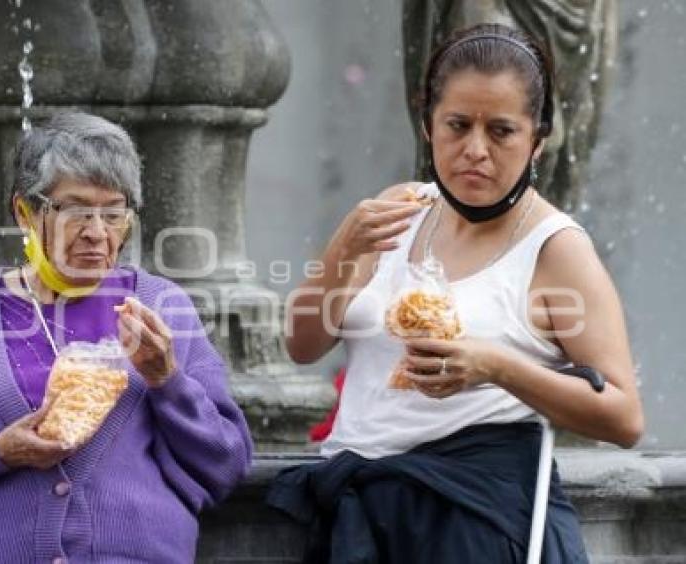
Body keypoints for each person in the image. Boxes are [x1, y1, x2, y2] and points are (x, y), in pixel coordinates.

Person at [269, 24, 643, 563]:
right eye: (458, 125)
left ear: (537, 140)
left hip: (477, 521)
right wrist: (341, 252)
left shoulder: (556, 249)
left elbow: (624, 417)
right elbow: (301, 345)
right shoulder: (399, 209)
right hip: (364, 514)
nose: (475, 150)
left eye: (502, 131)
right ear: (427, 125)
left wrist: (496, 367)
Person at [0, 112, 252, 563]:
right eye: (75, 210)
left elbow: (227, 464)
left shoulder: (161, 307)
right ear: (25, 213)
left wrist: (167, 380)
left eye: (113, 213)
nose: (97, 232)